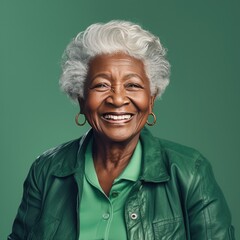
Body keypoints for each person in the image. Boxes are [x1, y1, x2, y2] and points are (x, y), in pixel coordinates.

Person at [8, 20, 235, 240]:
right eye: (101, 85)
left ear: (151, 100)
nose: (117, 99)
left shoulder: (191, 172)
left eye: (133, 85)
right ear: (81, 100)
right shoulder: (46, 170)